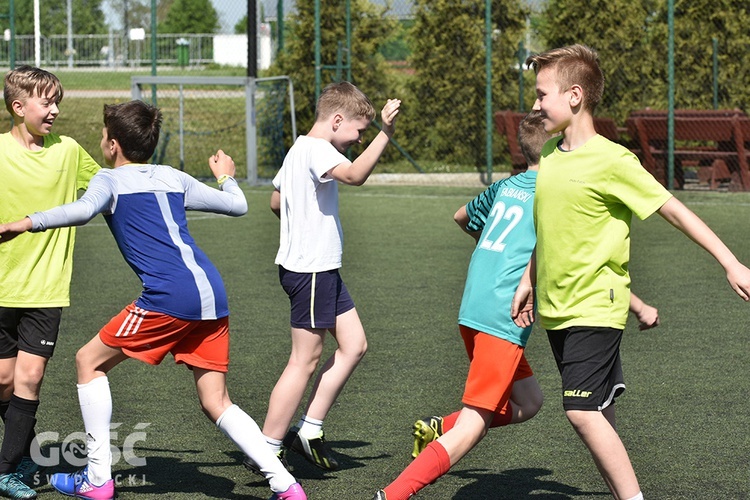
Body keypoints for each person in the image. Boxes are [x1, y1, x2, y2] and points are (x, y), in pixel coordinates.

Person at [0, 100, 307, 500]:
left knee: (87, 362)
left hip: (168, 296)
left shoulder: (108, 181)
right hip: (211, 293)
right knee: (216, 400)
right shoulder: (172, 176)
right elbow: (237, 204)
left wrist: (25, 222)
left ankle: (96, 480)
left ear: (112, 145)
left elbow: (80, 211)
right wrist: (225, 177)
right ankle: (286, 486)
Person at [372, 112, 660, 500]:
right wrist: (637, 304)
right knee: (474, 425)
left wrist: (495, 246)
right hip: (502, 316)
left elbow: (461, 216)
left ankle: (440, 428)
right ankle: (391, 495)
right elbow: (576, 262)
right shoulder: (555, 192)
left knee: (529, 401)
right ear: (556, 145)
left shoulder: (506, 186)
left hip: (473, 307)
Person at [511, 44, 750, 500]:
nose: (536, 104)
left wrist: (730, 261)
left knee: (580, 413)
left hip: (596, 305)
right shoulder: (552, 158)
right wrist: (529, 279)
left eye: (543, 94)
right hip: (558, 309)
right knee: (598, 416)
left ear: (575, 95)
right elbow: (551, 228)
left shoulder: (614, 160)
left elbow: (675, 211)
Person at [250, 81, 400, 472]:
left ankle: (308, 430)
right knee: (304, 360)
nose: (356, 138)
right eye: (357, 131)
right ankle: (267, 446)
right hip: (311, 270)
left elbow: (275, 201)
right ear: (336, 120)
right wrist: (385, 133)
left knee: (354, 344)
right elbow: (353, 176)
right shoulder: (318, 150)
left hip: (318, 269)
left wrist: (299, 223)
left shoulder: (299, 148)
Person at [0, 65, 101, 500]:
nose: (55, 109)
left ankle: (6, 471)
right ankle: (22, 449)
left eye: (57, 100)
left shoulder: (69, 151)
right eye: (47, 101)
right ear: (19, 107)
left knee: (29, 377)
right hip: (1, 286)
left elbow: (107, 187)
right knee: (4, 382)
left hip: (46, 288)